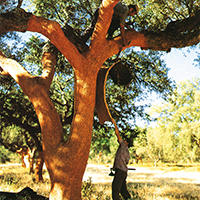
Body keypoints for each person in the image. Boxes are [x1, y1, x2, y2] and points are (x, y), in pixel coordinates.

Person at [111, 118, 132, 200]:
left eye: (125, 139)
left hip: (120, 171)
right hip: (123, 172)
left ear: (126, 142)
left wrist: (115, 124)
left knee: (115, 188)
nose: (123, 139)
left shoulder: (123, 145)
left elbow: (117, 134)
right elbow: (126, 161)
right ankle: (129, 198)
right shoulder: (127, 152)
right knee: (123, 190)